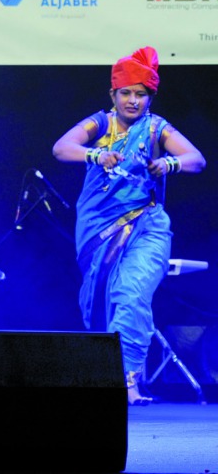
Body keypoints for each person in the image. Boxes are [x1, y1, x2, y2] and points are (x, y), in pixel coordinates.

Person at [52, 46, 205, 405]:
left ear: (150, 97)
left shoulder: (156, 128)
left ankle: (129, 381)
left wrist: (168, 164)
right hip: (97, 227)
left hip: (146, 226)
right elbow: (62, 148)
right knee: (99, 301)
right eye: (126, 93)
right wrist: (95, 154)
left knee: (132, 294)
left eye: (141, 94)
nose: (133, 101)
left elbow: (196, 159)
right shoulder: (100, 124)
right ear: (113, 95)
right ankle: (109, 375)